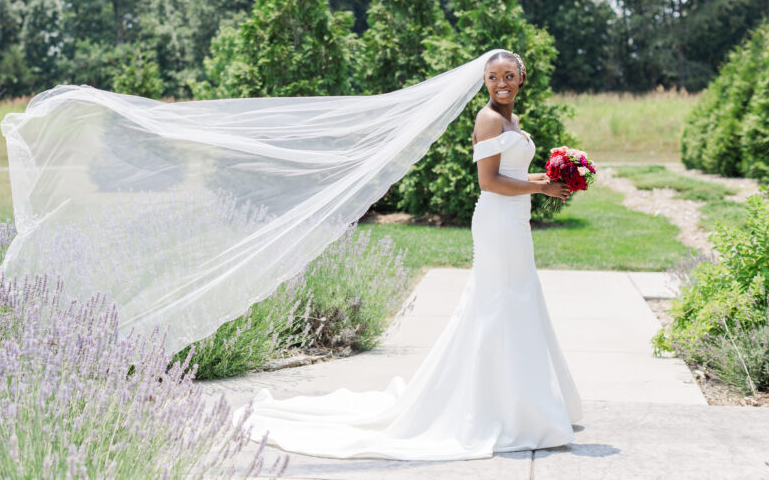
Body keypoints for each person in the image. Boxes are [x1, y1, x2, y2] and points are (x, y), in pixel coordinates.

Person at [233, 50, 583, 461]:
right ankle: (499, 407)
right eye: (492, 77)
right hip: (496, 224)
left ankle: (522, 403)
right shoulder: (488, 118)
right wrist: (540, 190)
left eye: (508, 75)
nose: (501, 83)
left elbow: (512, 173)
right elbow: (489, 182)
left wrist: (552, 177)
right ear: (484, 82)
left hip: (514, 224)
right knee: (501, 303)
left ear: (522, 78)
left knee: (517, 300)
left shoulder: (513, 121)